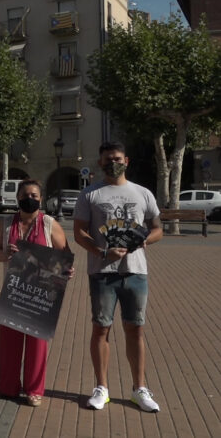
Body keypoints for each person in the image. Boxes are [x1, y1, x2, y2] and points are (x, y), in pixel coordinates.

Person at [73, 141, 163, 412]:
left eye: (118, 158)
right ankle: (101, 387)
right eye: (108, 159)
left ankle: (139, 388)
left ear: (127, 161)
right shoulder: (89, 194)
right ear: (100, 162)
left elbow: (157, 228)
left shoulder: (143, 193)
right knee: (101, 328)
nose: (114, 162)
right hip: (102, 272)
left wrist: (147, 240)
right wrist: (102, 251)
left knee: (135, 328)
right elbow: (79, 233)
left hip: (136, 271)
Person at [0, 179, 70, 407]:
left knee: (37, 344)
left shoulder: (49, 224)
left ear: (41, 198)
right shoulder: (5, 223)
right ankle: (7, 386)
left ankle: (34, 390)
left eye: (35, 195)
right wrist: (6, 256)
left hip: (41, 292)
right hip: (13, 290)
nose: (30, 199)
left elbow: (64, 255)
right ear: (18, 198)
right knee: (9, 343)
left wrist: (66, 270)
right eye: (25, 195)